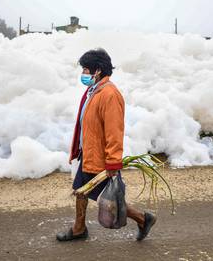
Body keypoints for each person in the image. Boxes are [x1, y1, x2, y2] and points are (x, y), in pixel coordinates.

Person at [56, 48, 156, 242]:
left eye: (86, 70)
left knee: (109, 201)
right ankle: (79, 229)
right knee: (81, 191)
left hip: (101, 157)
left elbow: (114, 131)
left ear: (98, 70)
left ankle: (144, 219)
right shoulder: (94, 91)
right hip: (89, 152)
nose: (83, 74)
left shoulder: (110, 94)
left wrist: (112, 162)